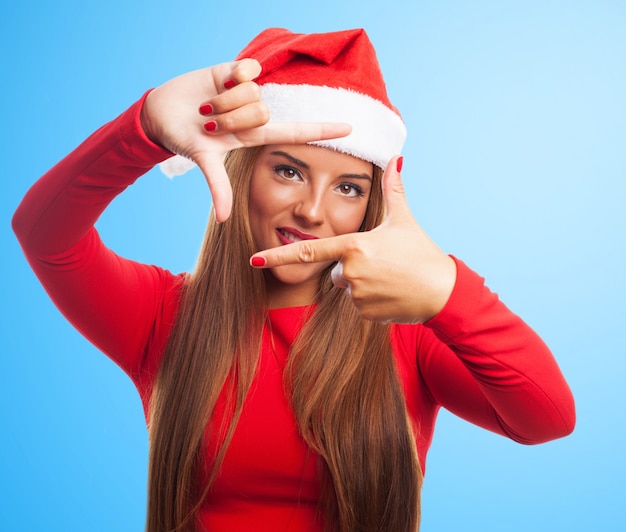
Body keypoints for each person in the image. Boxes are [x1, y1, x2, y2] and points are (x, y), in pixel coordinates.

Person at [12, 27, 575, 532]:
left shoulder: (408, 329)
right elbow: (45, 234)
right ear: (241, 170)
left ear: (371, 205)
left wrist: (448, 290)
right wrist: (146, 127)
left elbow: (545, 418)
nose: (312, 211)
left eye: (349, 187)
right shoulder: (164, 315)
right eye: (288, 170)